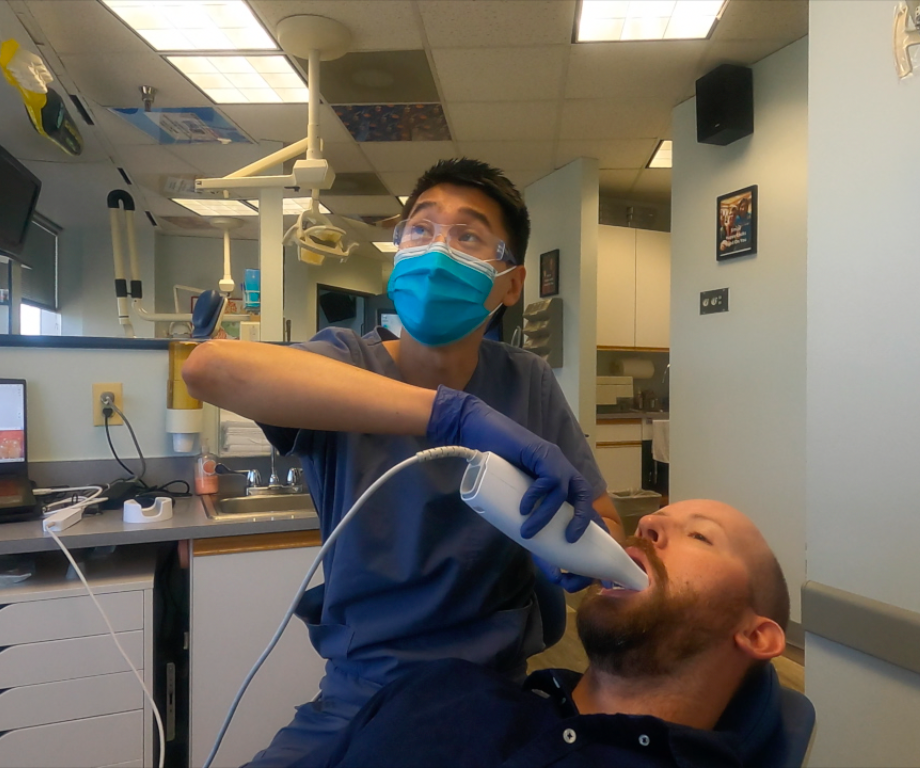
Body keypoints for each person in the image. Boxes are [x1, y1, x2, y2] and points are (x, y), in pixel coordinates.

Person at [182, 159, 623, 766]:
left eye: (467, 235)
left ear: (511, 283)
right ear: (397, 258)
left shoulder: (527, 381)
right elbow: (207, 368)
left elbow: (601, 520)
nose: (437, 248)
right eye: (420, 230)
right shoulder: (346, 362)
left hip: (491, 694)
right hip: (364, 691)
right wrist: (451, 416)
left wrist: (575, 551)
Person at [303, 500, 791, 768]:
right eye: (654, 519)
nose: (646, 524)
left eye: (701, 535)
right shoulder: (440, 689)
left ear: (757, 636)